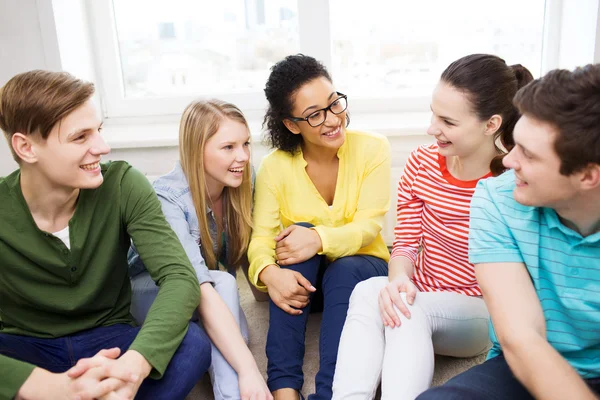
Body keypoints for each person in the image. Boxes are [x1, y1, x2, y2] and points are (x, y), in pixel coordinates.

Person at [332, 54, 534, 399]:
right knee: (369, 290)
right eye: (432, 113)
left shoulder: (512, 183)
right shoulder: (421, 162)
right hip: (422, 290)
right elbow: (407, 243)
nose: (431, 128)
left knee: (410, 308)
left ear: (491, 125)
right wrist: (398, 280)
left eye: (448, 121)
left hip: (478, 311)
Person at [0, 70, 211, 400]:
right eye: (80, 137)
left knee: (192, 344)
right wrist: (51, 388)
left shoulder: (124, 184)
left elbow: (179, 278)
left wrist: (134, 365)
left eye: (98, 130)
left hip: (111, 340)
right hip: (27, 348)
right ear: (26, 148)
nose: (102, 147)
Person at [417, 64, 600, 399]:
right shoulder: (497, 199)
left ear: (588, 176)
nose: (509, 161)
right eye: (515, 145)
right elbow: (521, 337)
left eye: (528, 155)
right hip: (523, 364)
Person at [247, 54, 391, 400]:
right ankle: (284, 390)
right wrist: (269, 273)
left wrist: (319, 239)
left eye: (334, 104)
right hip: (309, 286)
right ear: (292, 124)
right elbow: (262, 239)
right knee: (293, 237)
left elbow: (368, 228)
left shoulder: (373, 148)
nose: (332, 119)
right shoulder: (275, 167)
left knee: (343, 263)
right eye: (315, 115)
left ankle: (330, 393)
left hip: (362, 273)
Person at [128, 99, 271, 400]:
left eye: (245, 143)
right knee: (222, 285)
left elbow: (248, 248)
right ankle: (234, 395)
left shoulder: (243, 179)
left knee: (228, 312)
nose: (243, 156)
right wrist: (250, 370)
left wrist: (265, 289)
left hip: (202, 290)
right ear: (197, 149)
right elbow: (196, 284)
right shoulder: (168, 198)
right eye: (228, 147)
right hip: (148, 292)